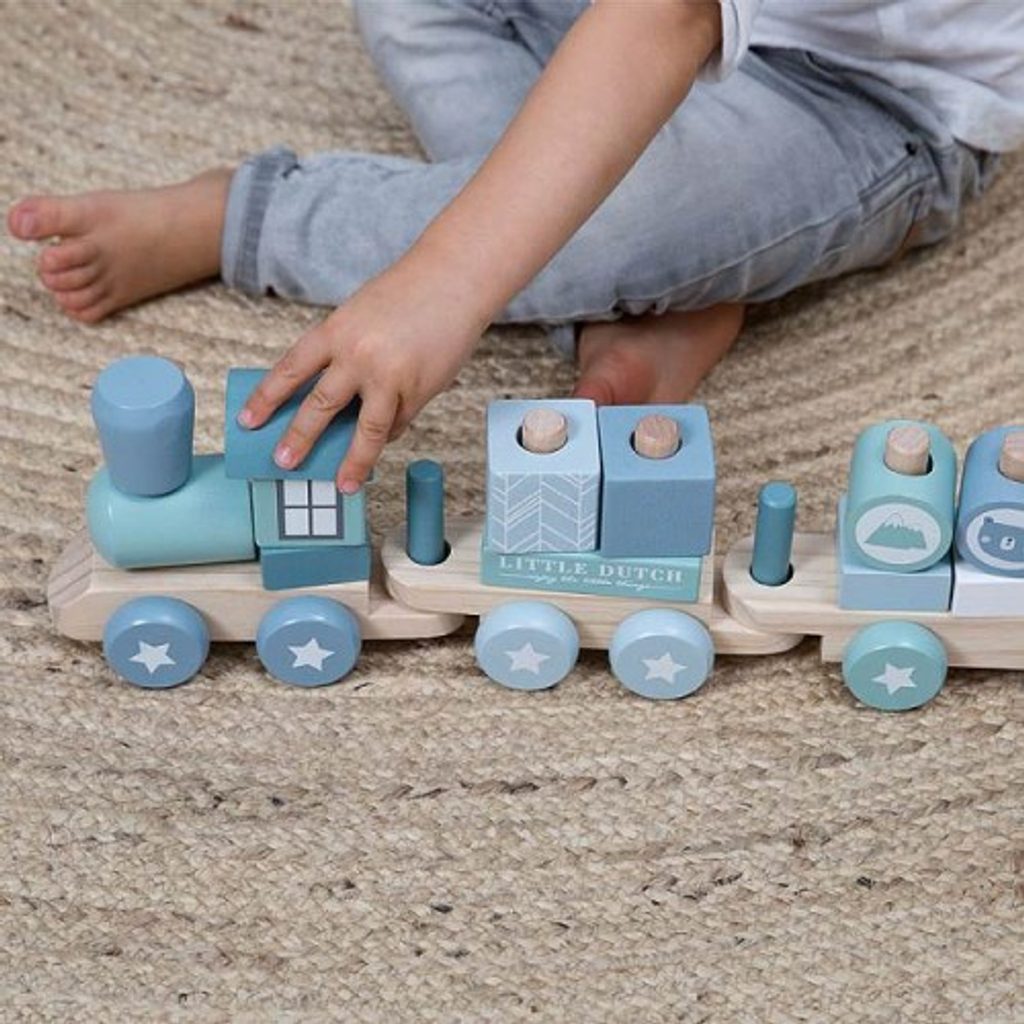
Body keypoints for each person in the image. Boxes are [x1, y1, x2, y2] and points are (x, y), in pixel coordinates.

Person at [8, 1, 1023, 494]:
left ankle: (246, 213)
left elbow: (666, 19)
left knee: (608, 225)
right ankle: (653, 287)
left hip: (865, 97)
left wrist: (441, 283)